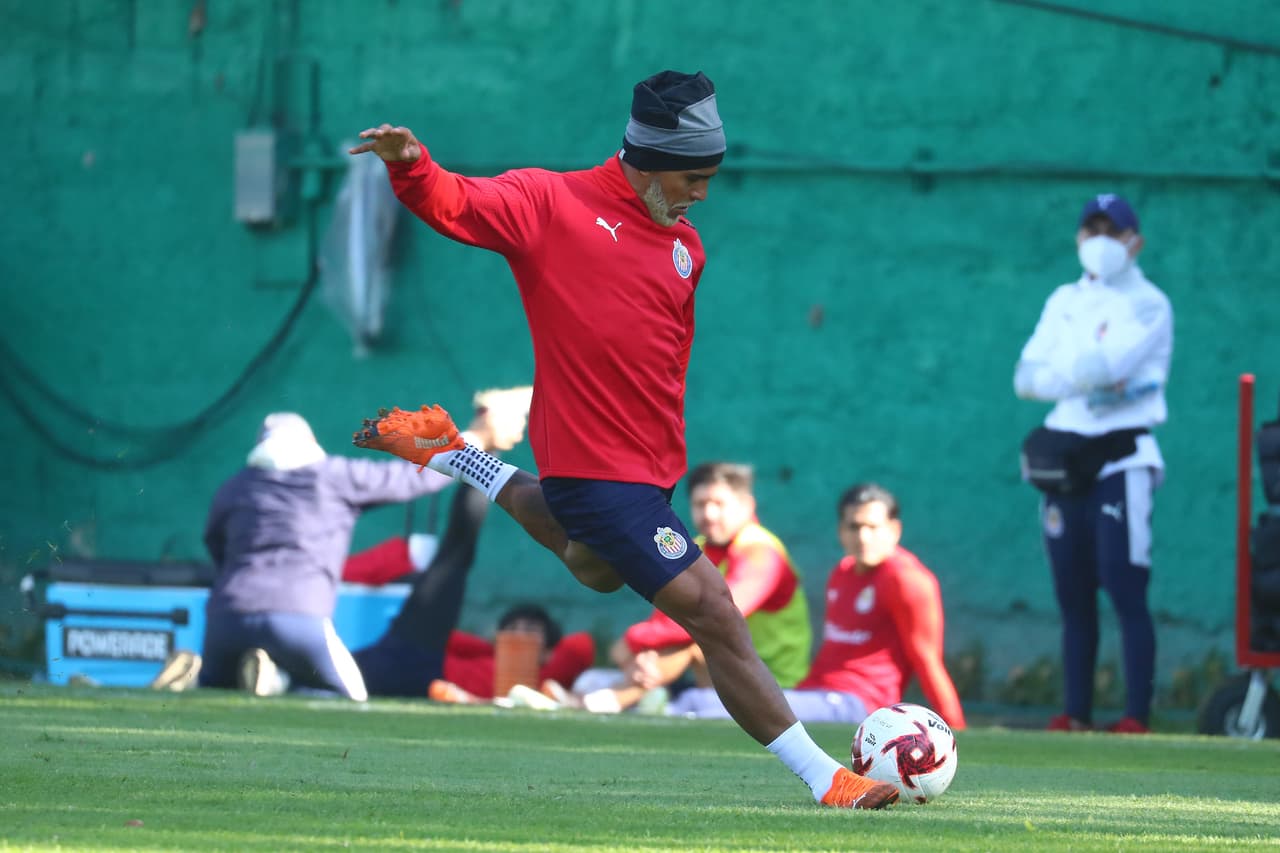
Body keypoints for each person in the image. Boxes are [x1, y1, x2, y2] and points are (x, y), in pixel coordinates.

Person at [347, 70, 898, 808]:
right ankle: (826, 778)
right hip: (597, 472)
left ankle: (452, 451)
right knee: (715, 610)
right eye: (693, 176)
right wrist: (411, 163)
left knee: (593, 567)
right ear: (649, 156)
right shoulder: (552, 203)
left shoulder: (685, 249)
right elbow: (458, 204)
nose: (702, 193)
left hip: (646, 475)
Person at [163, 388, 530, 699]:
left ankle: (198, 675)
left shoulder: (235, 488)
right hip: (298, 618)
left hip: (227, 616)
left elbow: (216, 548)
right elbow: (415, 478)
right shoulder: (333, 476)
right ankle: (278, 679)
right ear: (310, 445)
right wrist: (479, 438)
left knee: (217, 687)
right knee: (350, 697)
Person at [1014, 193, 1172, 734]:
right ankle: (1074, 712)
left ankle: (1135, 716)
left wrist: (1079, 371)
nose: (1100, 240)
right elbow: (1027, 376)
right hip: (1065, 459)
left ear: (1134, 240)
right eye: (1091, 229)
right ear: (1079, 237)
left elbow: (1104, 365)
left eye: (1112, 229)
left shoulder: (1150, 302)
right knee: (1072, 592)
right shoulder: (1064, 298)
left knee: (1124, 587)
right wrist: (1082, 374)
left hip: (1121, 460)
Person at [667, 483, 967, 731]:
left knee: (698, 704)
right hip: (817, 693)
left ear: (895, 530)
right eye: (854, 526)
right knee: (707, 700)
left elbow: (928, 662)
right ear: (840, 531)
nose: (863, 537)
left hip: (861, 705)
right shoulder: (842, 572)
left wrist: (955, 730)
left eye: (873, 527)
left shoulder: (908, 580)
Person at [554, 461, 810, 714]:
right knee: (685, 636)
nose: (709, 514)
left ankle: (609, 701)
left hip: (773, 681)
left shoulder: (761, 551)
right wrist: (643, 652)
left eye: (719, 504)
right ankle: (619, 693)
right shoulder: (699, 546)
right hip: (720, 672)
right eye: (701, 504)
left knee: (703, 635)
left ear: (747, 506)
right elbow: (668, 613)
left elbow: (717, 615)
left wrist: (635, 640)